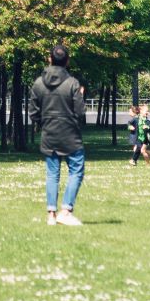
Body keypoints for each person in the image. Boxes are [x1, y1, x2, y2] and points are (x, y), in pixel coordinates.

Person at [30, 42, 87, 227]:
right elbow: (80, 112)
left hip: (49, 135)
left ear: (49, 59)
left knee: (52, 174)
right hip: (70, 135)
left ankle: (51, 215)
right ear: (67, 61)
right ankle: (66, 211)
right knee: (76, 170)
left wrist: (45, 124)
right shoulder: (72, 83)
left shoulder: (38, 83)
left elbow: (33, 113)